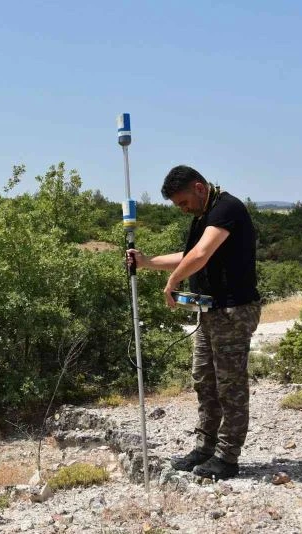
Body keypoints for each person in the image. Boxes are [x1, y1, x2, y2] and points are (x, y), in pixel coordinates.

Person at [126, 165, 261, 480]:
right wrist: (147, 262)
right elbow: (188, 254)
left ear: (199, 188)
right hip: (210, 311)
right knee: (204, 380)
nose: (182, 209)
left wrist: (172, 281)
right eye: (177, 206)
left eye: (184, 202)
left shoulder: (227, 208)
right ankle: (204, 448)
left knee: (230, 387)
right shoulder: (203, 217)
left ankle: (227, 458)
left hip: (234, 311)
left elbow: (200, 254)